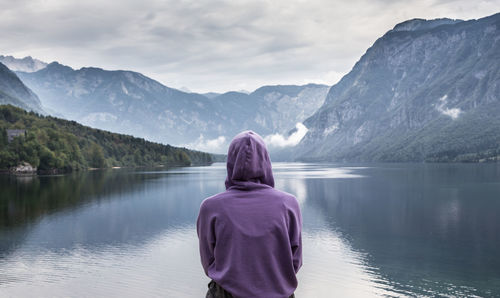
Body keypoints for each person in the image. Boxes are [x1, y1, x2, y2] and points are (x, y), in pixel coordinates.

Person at [197, 131, 302, 298]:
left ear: (230, 162)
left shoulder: (211, 207)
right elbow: (295, 261)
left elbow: (208, 261)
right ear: (266, 161)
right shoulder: (289, 204)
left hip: (226, 293)